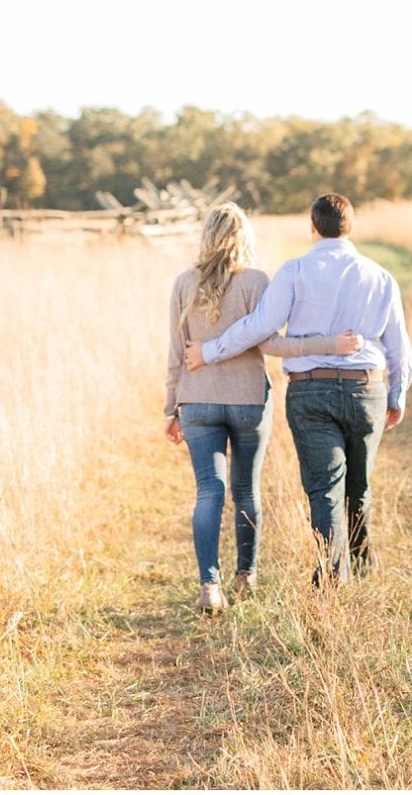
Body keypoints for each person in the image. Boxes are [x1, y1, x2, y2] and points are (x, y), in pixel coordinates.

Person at [185, 192, 412, 587]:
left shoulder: (294, 272)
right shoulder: (380, 276)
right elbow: (398, 344)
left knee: (324, 487)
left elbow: (259, 327)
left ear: (312, 227)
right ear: (350, 227)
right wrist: (397, 395)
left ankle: (332, 573)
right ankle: (358, 563)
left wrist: (209, 350)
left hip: (311, 391)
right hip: (366, 389)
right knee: (359, 484)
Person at [166, 203, 363, 613]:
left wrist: (171, 407)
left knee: (208, 490)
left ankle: (209, 587)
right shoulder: (256, 282)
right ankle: (246, 575)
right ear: (245, 237)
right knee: (244, 489)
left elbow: (175, 354)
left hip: (197, 400)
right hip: (248, 400)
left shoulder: (184, 283)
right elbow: (271, 344)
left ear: (207, 235)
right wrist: (330, 345)